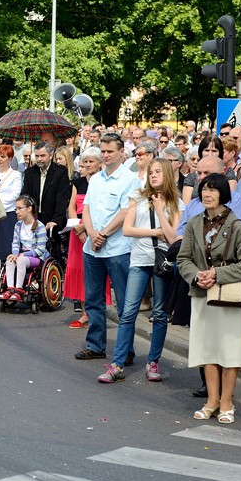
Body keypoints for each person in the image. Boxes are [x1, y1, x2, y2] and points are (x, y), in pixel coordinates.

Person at [177, 174, 241, 424]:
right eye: (204, 190)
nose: (207, 194)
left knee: (230, 350)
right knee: (208, 349)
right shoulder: (193, 223)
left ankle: (226, 402)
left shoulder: (237, 226)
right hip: (202, 294)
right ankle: (212, 401)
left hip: (229, 297)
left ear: (223, 194)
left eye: (213, 190)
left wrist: (217, 274)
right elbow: (183, 258)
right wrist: (196, 276)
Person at [97, 158, 184, 383]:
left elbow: (173, 237)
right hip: (139, 260)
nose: (153, 175)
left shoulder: (177, 202)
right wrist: (155, 233)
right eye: (151, 172)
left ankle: (152, 361)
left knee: (159, 314)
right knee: (128, 312)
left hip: (163, 261)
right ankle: (117, 364)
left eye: (158, 172)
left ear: (166, 174)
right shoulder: (137, 196)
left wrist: (159, 210)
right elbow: (127, 229)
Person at [76, 135, 141, 360]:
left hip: (118, 249)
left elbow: (125, 213)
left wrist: (103, 234)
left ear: (122, 152)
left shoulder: (131, 180)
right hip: (92, 248)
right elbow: (86, 209)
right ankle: (95, 345)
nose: (105, 155)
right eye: (102, 151)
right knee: (93, 299)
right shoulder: (95, 179)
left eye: (110, 151)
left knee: (124, 303)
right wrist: (92, 234)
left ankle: (126, 351)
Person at [64, 147, 110, 328]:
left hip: (95, 231)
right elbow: (71, 207)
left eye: (92, 161)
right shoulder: (78, 182)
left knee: (93, 273)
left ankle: (92, 312)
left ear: (100, 163)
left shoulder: (103, 182)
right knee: (79, 271)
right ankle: (84, 311)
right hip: (77, 233)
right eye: (86, 161)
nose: (88, 164)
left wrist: (85, 226)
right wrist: (76, 226)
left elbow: (102, 208)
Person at [1, 195, 48, 300]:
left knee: (21, 260)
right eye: (15, 209)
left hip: (36, 257)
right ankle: (10, 288)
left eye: (19, 208)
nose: (16, 212)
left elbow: (40, 249)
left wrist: (24, 254)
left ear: (29, 208)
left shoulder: (40, 226)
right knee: (10, 260)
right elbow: (16, 243)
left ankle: (18, 290)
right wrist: (15, 254)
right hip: (21, 255)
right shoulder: (18, 225)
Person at [0, 145, 23, 288]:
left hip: (7, 213)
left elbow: (15, 194)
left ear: (10, 158)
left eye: (3, 156)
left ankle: (7, 274)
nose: (0, 159)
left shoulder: (15, 174)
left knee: (6, 244)